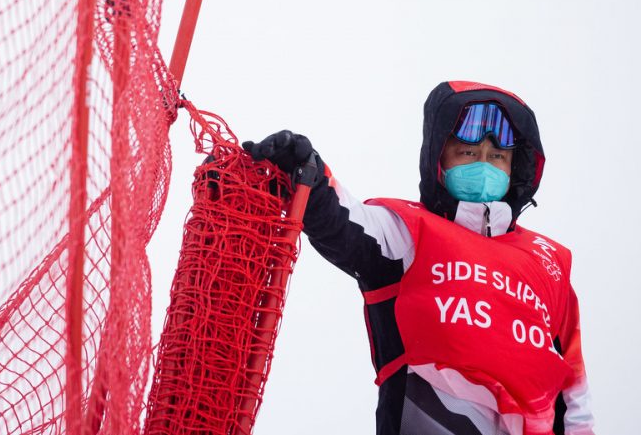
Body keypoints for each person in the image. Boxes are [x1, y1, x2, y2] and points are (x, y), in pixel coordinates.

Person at [243, 80, 595, 435]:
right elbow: (344, 222)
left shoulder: (549, 261)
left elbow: (574, 393)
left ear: (515, 168)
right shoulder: (407, 231)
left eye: (497, 157)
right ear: (439, 159)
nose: (484, 165)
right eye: (468, 153)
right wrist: (308, 174)